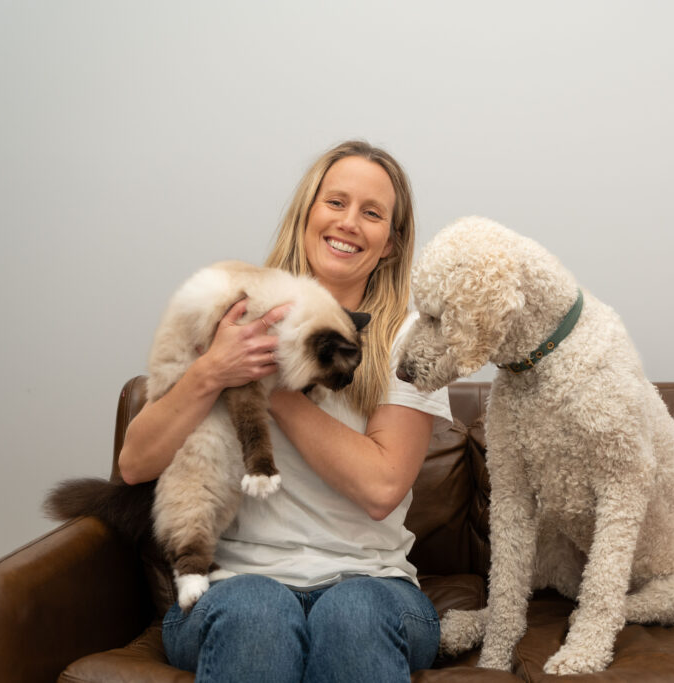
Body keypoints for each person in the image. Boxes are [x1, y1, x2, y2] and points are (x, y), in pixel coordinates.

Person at [117, 140, 451, 682]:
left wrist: (271, 382)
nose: (348, 223)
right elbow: (135, 465)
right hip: (236, 588)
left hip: (373, 587)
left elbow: (382, 488)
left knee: (353, 613)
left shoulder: (405, 343)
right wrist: (215, 371)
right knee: (257, 611)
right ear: (307, 213)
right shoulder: (233, 314)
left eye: (372, 213)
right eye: (335, 202)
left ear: (391, 242)